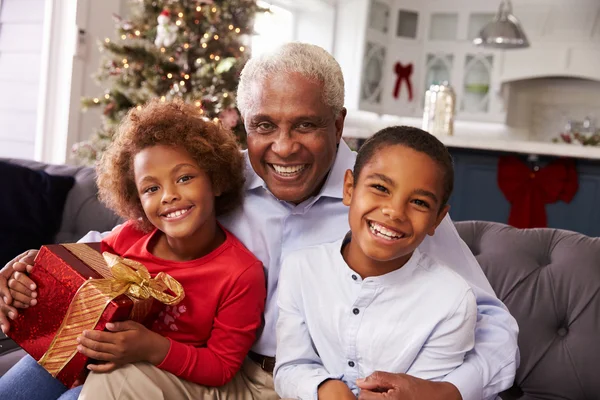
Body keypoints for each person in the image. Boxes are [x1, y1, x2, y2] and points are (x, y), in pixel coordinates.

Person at [0, 42, 519, 400]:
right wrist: (32, 267)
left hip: (309, 385)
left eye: (307, 126)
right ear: (242, 124)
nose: (284, 146)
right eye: (264, 126)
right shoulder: (216, 182)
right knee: (75, 372)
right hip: (198, 370)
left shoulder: (384, 203)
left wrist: (449, 389)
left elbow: (493, 323)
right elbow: (126, 243)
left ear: (339, 124)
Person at [0, 99, 266, 400]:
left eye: (184, 178)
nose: (169, 196)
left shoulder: (241, 273)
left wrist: (152, 347)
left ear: (216, 180)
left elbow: (221, 366)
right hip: (82, 353)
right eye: (152, 188)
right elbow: (75, 279)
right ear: (136, 199)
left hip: (147, 382)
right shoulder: (129, 237)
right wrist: (33, 273)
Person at [275, 126, 477, 399]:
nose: (394, 212)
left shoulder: (452, 300)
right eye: (380, 188)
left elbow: (423, 391)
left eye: (418, 202)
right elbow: (290, 368)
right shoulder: (301, 268)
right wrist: (322, 388)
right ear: (349, 188)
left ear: (437, 220)